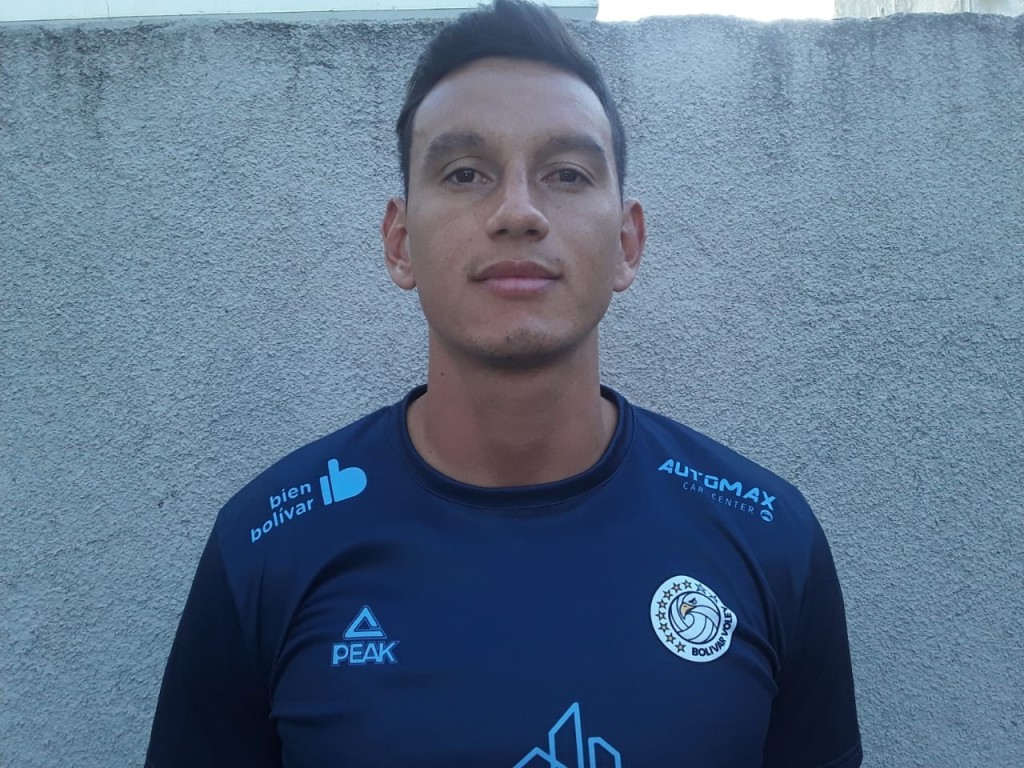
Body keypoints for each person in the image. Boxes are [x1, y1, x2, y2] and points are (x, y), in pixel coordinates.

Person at [146, 1, 862, 766]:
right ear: (400, 243)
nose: (518, 211)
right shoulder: (268, 546)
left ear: (627, 243)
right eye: (464, 173)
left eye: (566, 174)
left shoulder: (767, 538)